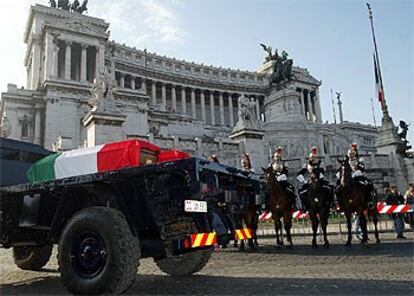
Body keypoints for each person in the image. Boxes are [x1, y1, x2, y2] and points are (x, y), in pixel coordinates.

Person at [296, 147, 332, 212]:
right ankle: (304, 206)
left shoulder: (320, 164)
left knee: (329, 188)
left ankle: (331, 203)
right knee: (301, 192)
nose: (313, 159)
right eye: (312, 158)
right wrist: (304, 180)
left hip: (319, 181)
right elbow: (300, 174)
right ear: (309, 158)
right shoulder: (306, 165)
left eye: (314, 158)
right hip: (309, 181)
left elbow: (322, 172)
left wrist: (320, 177)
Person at [347, 143, 375, 208]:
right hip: (350, 177)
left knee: (367, 184)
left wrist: (355, 173)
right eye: (350, 154)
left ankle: (370, 200)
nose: (351, 155)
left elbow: (361, 168)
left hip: (358, 177)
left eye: (352, 154)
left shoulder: (359, 160)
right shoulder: (347, 162)